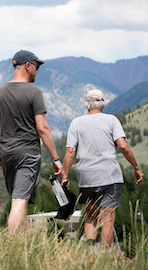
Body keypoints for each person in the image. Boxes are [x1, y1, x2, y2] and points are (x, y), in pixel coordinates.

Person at [0, 50, 63, 237]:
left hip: (7, 156)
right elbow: (43, 128)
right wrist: (55, 158)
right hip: (27, 155)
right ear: (28, 65)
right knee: (19, 201)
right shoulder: (34, 93)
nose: (37, 71)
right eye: (36, 66)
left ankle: (22, 245)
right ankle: (12, 246)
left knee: (19, 199)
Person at [61, 89, 143, 248]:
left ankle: (90, 252)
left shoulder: (76, 123)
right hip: (109, 176)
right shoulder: (112, 120)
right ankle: (105, 257)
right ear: (103, 103)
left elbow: (70, 151)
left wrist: (65, 177)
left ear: (86, 105)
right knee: (107, 219)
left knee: (90, 216)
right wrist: (136, 167)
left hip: (86, 178)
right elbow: (123, 146)